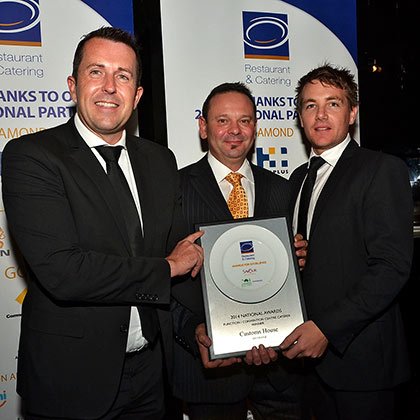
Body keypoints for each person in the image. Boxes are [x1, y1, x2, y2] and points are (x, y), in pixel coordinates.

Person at [1, 27, 204, 420]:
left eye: (123, 76)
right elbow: (64, 270)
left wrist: (265, 254)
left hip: (151, 376)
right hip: (71, 379)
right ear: (73, 86)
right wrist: (167, 267)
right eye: (97, 72)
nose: (110, 87)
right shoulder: (32, 157)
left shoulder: (160, 161)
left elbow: (183, 246)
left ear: (138, 95)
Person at [279, 64, 413, 420]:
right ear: (300, 116)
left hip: (362, 363)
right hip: (308, 367)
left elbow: (391, 268)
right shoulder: (297, 179)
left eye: (332, 104)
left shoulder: (381, 170)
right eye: (310, 105)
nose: (320, 115)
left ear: (352, 113)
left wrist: (326, 328)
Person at [171, 82, 307, 420]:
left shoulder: (283, 189)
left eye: (244, 121)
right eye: (222, 121)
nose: (235, 131)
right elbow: (159, 278)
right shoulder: (172, 190)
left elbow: (292, 276)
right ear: (203, 127)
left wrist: (300, 260)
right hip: (212, 373)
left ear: (255, 128)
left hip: (282, 372)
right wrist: (195, 331)